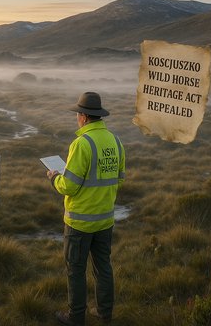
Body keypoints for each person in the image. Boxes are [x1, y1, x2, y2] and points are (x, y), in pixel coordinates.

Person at [47, 91, 125, 326]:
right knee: (103, 268)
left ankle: (75, 317)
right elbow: (119, 179)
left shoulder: (82, 144)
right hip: (105, 221)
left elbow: (68, 186)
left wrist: (54, 178)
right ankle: (105, 314)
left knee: (76, 271)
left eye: (77, 114)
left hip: (79, 223)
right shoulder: (115, 141)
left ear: (83, 116)